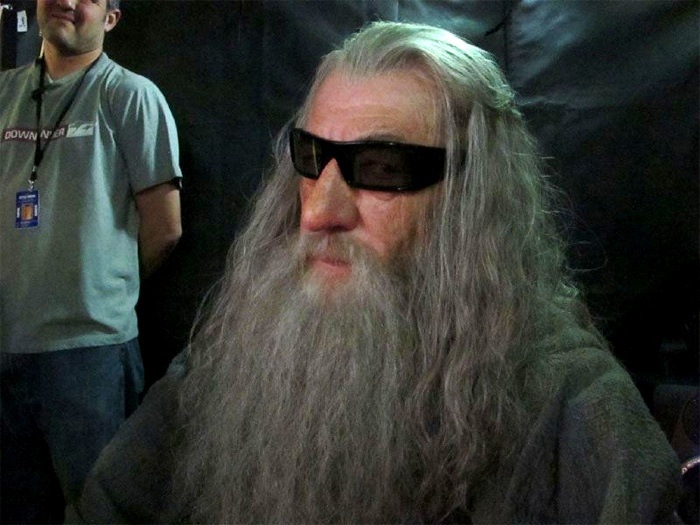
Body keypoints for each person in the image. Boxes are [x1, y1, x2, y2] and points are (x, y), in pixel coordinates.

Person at [68, 21, 678, 524]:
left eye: (382, 168)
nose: (318, 212)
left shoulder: (574, 406)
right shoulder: (237, 354)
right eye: (312, 158)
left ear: (471, 200)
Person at [0, 0, 182, 522]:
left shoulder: (130, 95)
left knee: (98, 512)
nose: (68, 1)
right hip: (8, 345)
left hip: (90, 353)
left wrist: (100, 287)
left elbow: (166, 227)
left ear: (110, 19)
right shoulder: (6, 92)